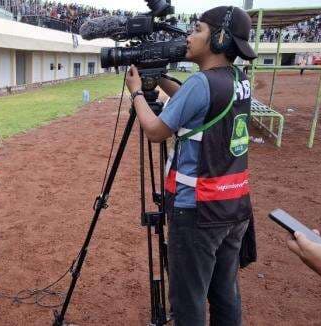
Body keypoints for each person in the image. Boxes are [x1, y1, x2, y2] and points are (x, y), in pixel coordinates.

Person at [125, 6, 257, 325]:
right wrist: (161, 80)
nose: (189, 36)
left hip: (198, 211)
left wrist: (135, 94)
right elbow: (200, 101)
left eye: (197, 29)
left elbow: (156, 131)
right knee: (224, 293)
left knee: (188, 300)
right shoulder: (237, 79)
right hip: (233, 206)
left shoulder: (202, 83)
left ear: (220, 38)